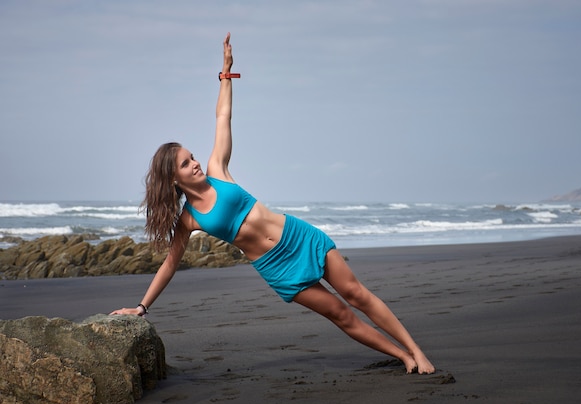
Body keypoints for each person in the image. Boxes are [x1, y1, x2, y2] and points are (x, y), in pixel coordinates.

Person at [111, 33, 435, 375]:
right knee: (340, 315)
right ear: (174, 179)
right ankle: (402, 357)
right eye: (185, 163)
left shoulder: (219, 169)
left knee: (356, 295)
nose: (195, 163)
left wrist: (226, 73)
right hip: (276, 268)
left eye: (192, 156)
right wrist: (141, 307)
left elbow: (223, 117)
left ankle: (416, 349)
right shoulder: (189, 218)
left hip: (297, 237)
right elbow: (169, 265)